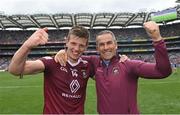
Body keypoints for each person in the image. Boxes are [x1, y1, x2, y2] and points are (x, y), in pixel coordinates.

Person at [54, 21, 172, 114]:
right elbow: (74, 54)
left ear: (116, 45)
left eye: (109, 43)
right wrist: (62, 51)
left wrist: (157, 39)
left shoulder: (128, 65)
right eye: (101, 44)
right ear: (97, 48)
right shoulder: (93, 63)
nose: (106, 47)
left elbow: (162, 71)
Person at [8, 26, 94, 114]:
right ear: (67, 42)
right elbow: (15, 70)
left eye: (81, 45)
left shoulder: (89, 64)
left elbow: (107, 73)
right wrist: (27, 46)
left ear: (86, 46)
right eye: (73, 43)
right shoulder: (52, 62)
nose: (76, 49)